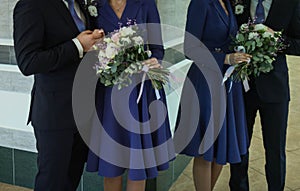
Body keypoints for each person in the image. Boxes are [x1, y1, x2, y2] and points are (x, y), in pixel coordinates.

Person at [13, 0, 104, 190]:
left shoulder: (80, 3)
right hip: (54, 114)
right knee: (51, 183)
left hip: (83, 112)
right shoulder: (30, 5)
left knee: (71, 179)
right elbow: (28, 62)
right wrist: (77, 45)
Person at [85, 0, 175, 191]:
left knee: (138, 163)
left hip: (140, 94)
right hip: (108, 95)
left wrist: (154, 61)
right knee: (111, 164)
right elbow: (89, 49)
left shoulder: (146, 4)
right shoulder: (94, 7)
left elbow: (157, 49)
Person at [177, 0, 251, 190]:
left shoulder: (227, 2)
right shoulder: (200, 3)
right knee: (206, 149)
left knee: (221, 150)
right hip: (205, 82)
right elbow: (190, 48)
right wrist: (225, 58)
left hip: (227, 84)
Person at [229, 0, 300, 190]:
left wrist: (276, 39)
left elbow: (298, 43)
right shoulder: (238, 1)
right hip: (242, 86)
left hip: (276, 88)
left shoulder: (291, 3)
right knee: (240, 148)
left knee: (275, 150)